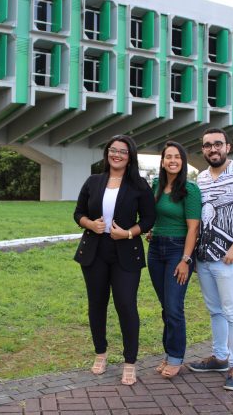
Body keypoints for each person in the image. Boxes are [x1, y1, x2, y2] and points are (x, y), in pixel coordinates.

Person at [73, 134, 155, 386]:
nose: (117, 154)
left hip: (125, 252)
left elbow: (149, 219)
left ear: (130, 156)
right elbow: (78, 213)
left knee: (126, 306)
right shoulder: (93, 181)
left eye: (123, 151)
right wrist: (90, 224)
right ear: (107, 153)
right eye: (112, 150)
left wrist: (129, 232)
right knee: (96, 304)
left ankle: (130, 361)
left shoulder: (139, 185)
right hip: (95, 250)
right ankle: (101, 353)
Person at [187, 128, 233, 391]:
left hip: (230, 258)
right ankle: (219, 357)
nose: (212, 149)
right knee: (215, 310)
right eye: (207, 145)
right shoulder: (201, 178)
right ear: (203, 149)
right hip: (204, 257)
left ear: (228, 147)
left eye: (218, 144)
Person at [147, 141, 201, 378]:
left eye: (177, 157)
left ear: (183, 161)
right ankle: (169, 354)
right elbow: (153, 214)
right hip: (156, 249)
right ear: (162, 161)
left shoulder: (190, 189)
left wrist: (186, 260)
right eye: (168, 156)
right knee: (165, 307)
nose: (172, 161)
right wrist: (151, 229)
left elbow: (193, 229)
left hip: (177, 250)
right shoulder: (157, 184)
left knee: (174, 307)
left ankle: (176, 356)